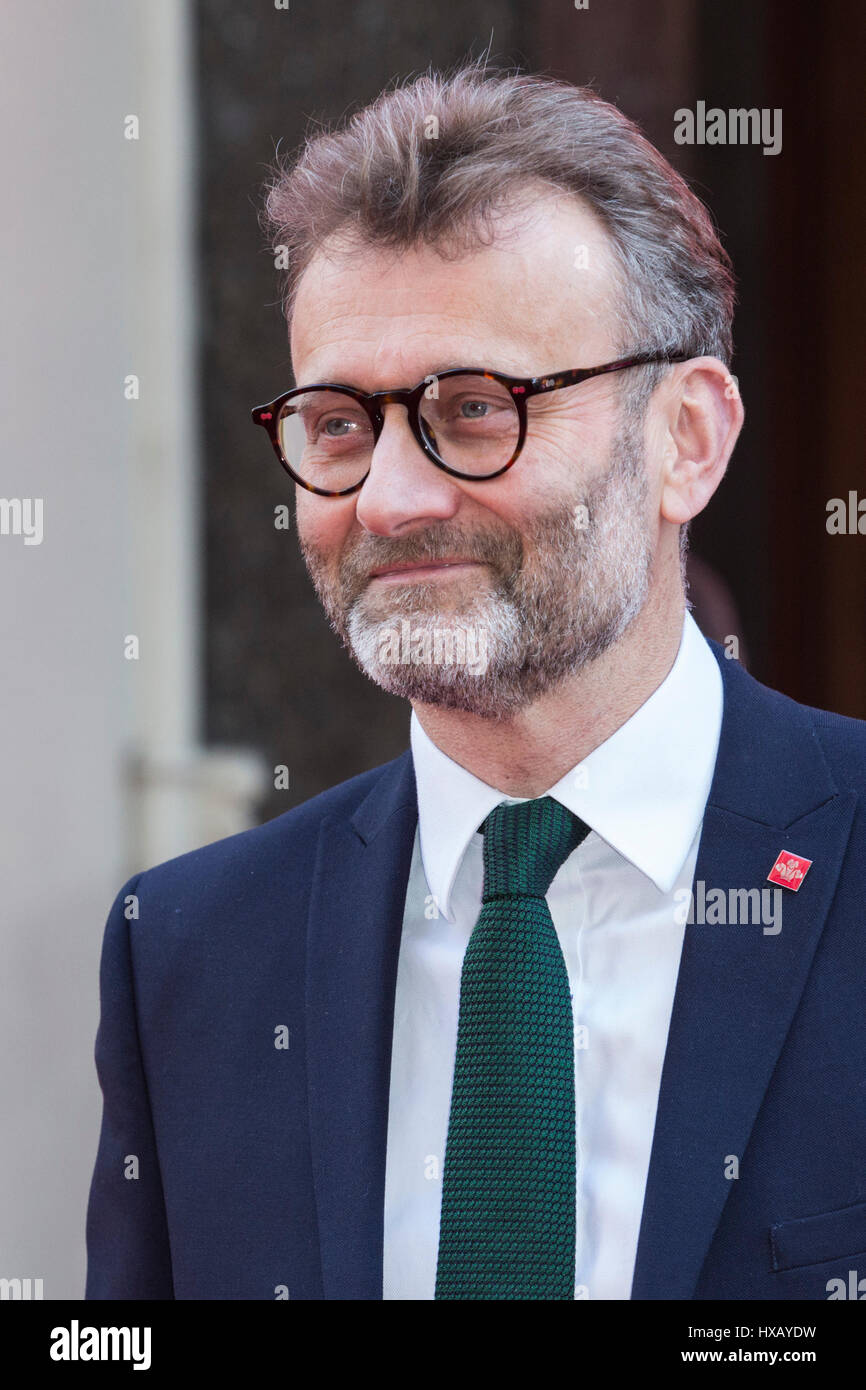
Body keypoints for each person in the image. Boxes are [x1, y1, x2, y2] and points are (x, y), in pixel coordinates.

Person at [85, 61, 866, 1301]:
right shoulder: (190, 955)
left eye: (474, 407)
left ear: (686, 440)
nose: (391, 499)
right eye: (339, 423)